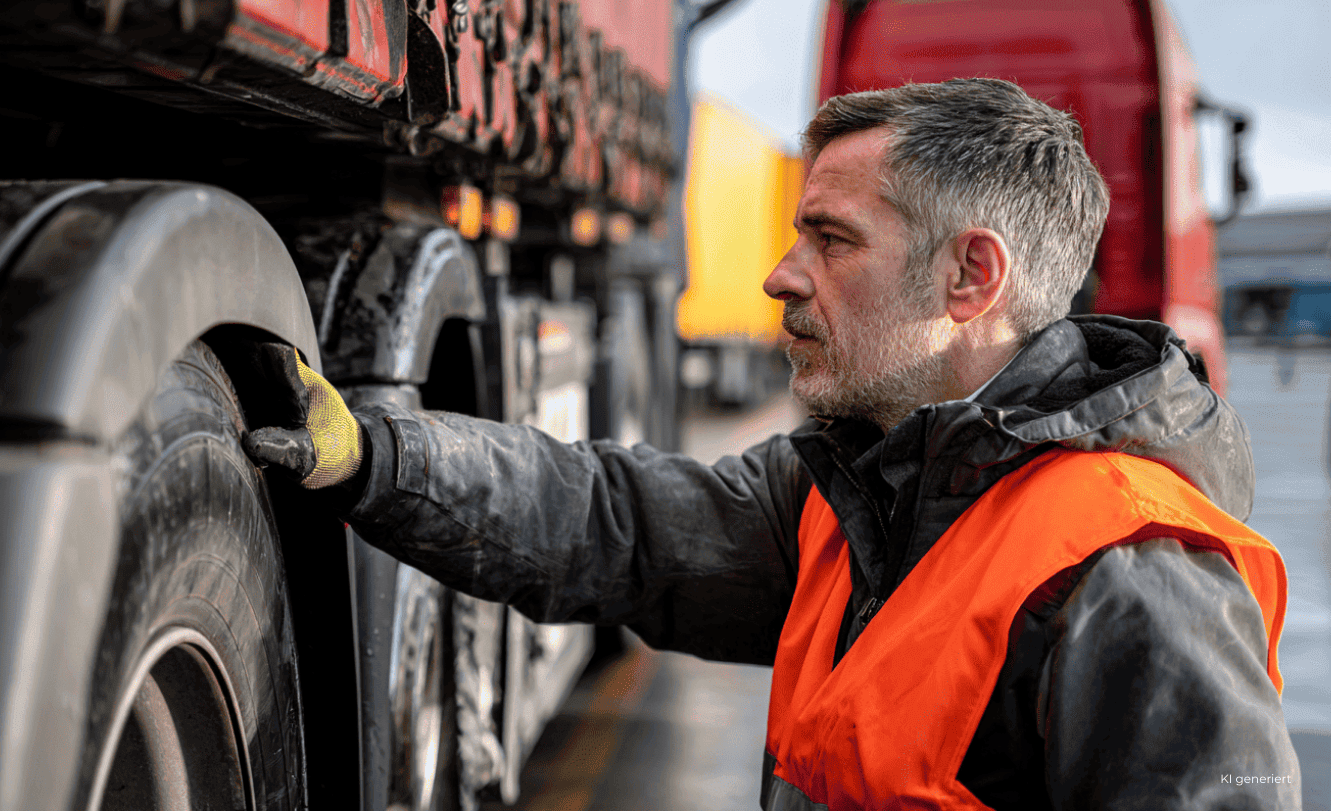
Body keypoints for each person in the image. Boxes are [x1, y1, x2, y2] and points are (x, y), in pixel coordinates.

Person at [244, 79, 1298, 810]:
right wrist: (376, 457)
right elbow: (621, 529)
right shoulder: (859, 489)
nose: (780, 274)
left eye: (831, 239)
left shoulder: (1136, 577)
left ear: (970, 277)